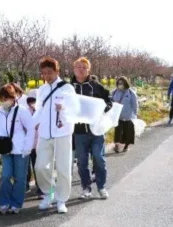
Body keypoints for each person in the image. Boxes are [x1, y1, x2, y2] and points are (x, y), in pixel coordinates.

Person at [34, 57, 79, 214]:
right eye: (44, 73)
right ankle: (49, 192)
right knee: (40, 166)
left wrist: (64, 108)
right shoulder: (42, 90)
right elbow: (39, 110)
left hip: (62, 133)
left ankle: (61, 199)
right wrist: (32, 125)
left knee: (63, 168)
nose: (47, 76)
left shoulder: (67, 88)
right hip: (45, 133)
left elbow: (75, 109)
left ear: (57, 71)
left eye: (50, 72)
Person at [70, 57, 112, 200]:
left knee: (99, 158)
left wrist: (104, 109)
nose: (81, 70)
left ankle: (101, 186)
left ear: (89, 70)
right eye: (78, 67)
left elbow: (109, 100)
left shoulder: (95, 86)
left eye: (84, 67)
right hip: (79, 131)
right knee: (82, 161)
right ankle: (86, 187)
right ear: (74, 69)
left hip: (96, 129)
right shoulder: (69, 87)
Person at [0, 84, 34, 214]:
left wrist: (27, 147)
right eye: (2, 99)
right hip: (5, 149)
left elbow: (31, 129)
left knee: (20, 177)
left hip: (20, 149)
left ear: (13, 97)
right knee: (5, 176)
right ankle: (4, 202)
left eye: (6, 99)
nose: (4, 102)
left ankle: (16, 203)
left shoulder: (21, 111)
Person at [23, 95, 44, 198]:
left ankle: (41, 188)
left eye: (34, 101)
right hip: (29, 144)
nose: (32, 103)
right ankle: (26, 186)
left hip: (40, 144)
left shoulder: (41, 110)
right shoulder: (25, 111)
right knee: (27, 167)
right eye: (30, 102)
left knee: (38, 167)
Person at [112, 76, 138, 153]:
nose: (120, 85)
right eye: (119, 83)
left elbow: (134, 104)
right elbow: (111, 101)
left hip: (128, 116)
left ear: (125, 83)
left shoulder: (130, 93)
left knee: (128, 131)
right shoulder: (115, 92)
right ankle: (117, 145)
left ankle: (126, 145)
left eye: (122, 83)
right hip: (118, 116)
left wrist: (135, 113)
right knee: (118, 131)